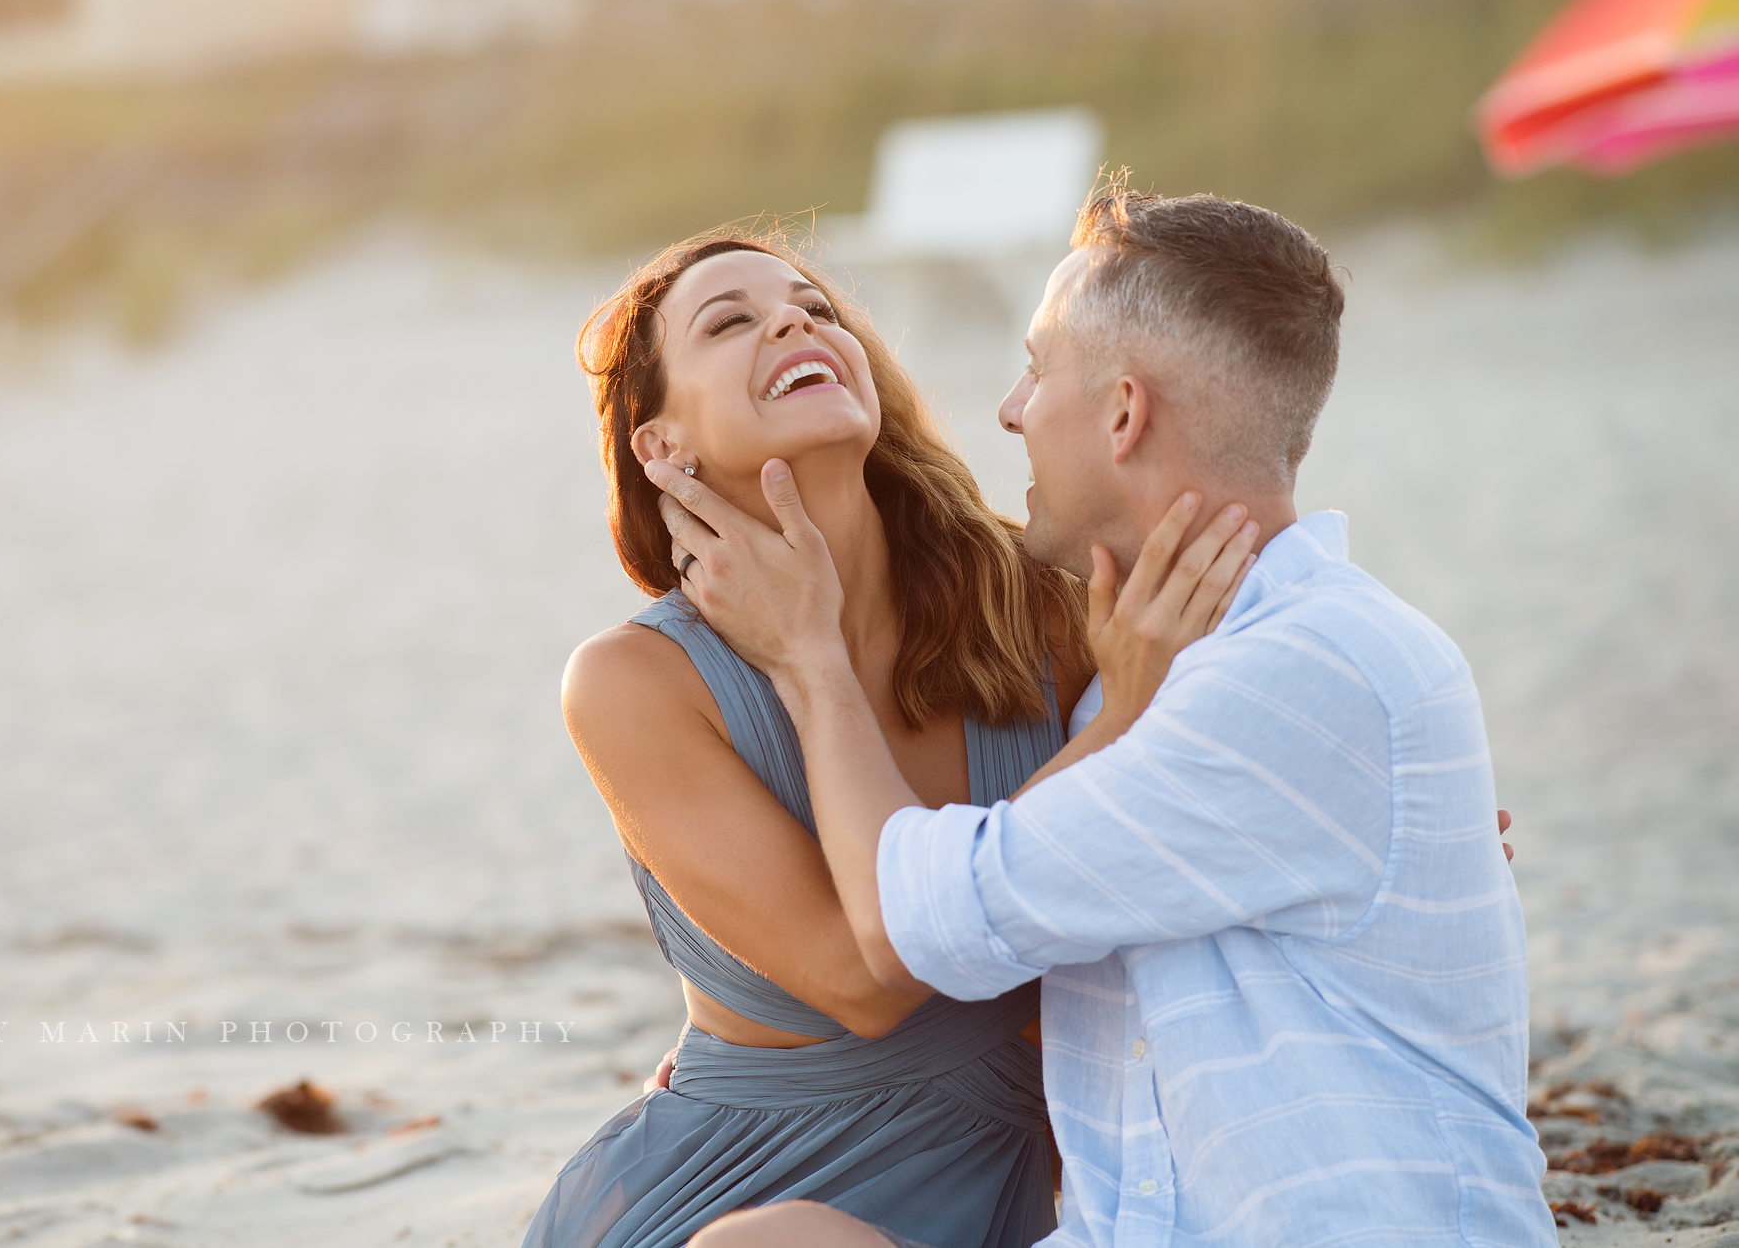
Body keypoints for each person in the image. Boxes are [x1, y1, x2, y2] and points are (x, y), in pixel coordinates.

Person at [646, 187, 1553, 1247]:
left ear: (1122, 415)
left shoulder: (1286, 673)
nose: (1007, 410)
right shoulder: (1146, 655)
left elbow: (908, 928)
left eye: (1034, 369)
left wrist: (807, 658)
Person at [523, 230, 1256, 1248]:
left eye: (815, 309)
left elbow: (1221, 752)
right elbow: (863, 978)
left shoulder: (1041, 603)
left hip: (1004, 1163)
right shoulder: (634, 684)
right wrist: (1121, 727)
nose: (794, 321)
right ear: (659, 444)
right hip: (720, 1192)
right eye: (729, 321)